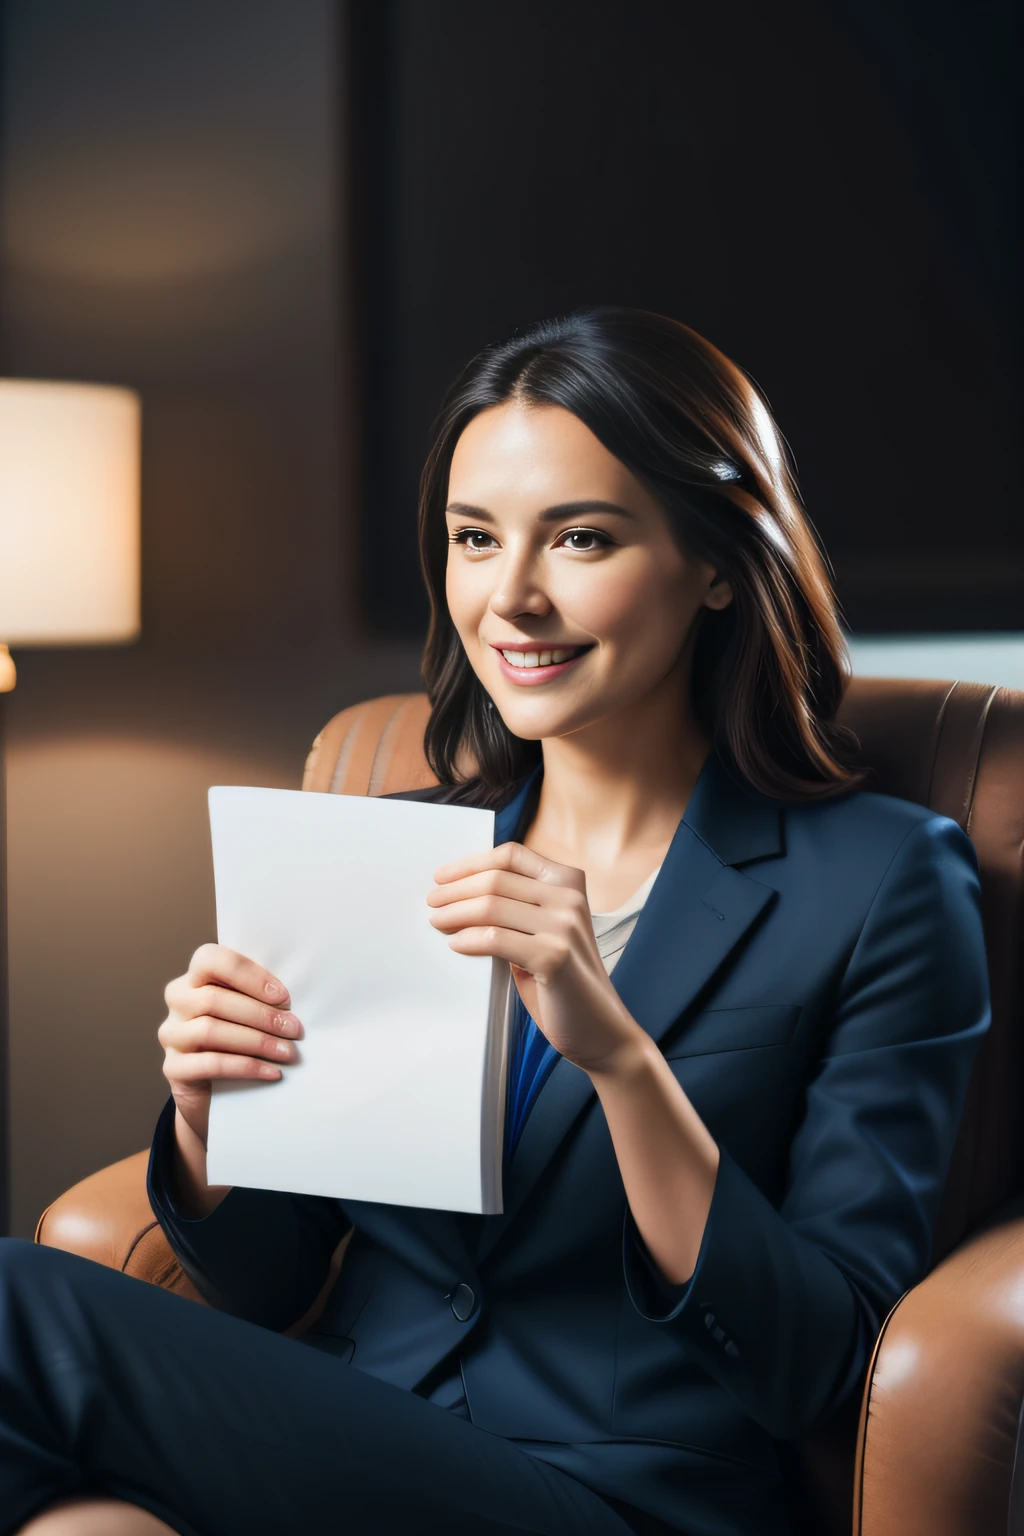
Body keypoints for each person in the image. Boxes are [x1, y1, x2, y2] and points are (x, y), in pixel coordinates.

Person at [1, 308, 991, 1536]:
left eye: (580, 538)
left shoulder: (883, 880)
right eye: (475, 539)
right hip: (346, 1456)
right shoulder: (388, 848)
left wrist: (621, 1059)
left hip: (628, 1500)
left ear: (722, 563)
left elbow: (816, 1360)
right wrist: (214, 1122)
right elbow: (261, 1293)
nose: (511, 598)